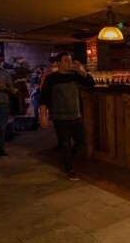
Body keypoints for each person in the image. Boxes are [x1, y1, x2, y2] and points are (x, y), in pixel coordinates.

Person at [39, 52, 95, 181]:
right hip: (60, 118)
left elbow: (91, 84)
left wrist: (82, 70)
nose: (69, 63)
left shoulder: (75, 76)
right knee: (65, 145)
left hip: (76, 116)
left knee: (81, 143)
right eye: (66, 60)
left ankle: (67, 158)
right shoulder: (51, 78)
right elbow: (44, 98)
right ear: (59, 63)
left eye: (70, 60)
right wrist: (43, 115)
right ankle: (70, 168)